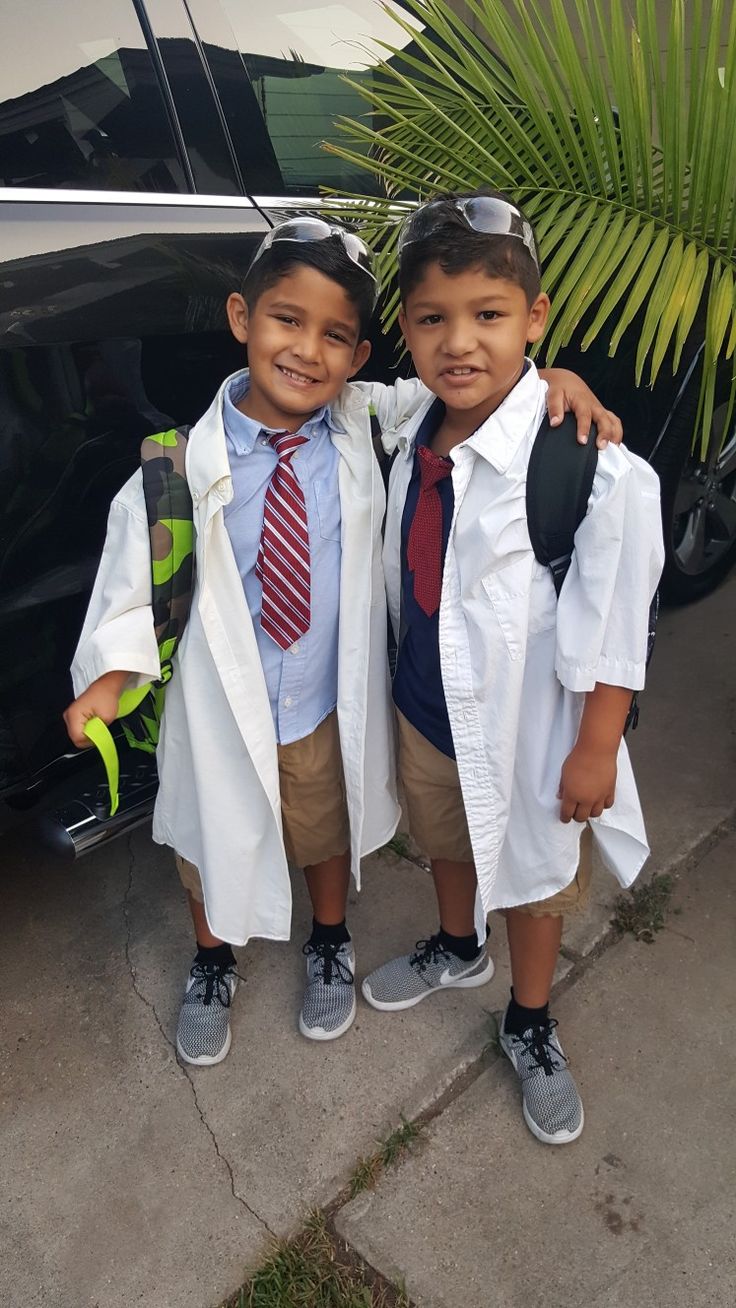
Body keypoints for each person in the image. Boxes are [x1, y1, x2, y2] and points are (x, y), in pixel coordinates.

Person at [63, 217, 623, 1069]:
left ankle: (329, 937)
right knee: (207, 844)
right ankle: (213, 962)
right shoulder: (171, 468)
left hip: (321, 699)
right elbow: (128, 589)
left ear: (360, 358)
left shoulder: (366, 422)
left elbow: (474, 389)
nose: (307, 352)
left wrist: (559, 380)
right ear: (241, 317)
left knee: (324, 832)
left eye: (335, 336)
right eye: (287, 320)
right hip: (222, 707)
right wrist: (108, 677)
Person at [361, 192, 664, 1145]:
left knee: (532, 881)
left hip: (531, 734)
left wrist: (597, 751)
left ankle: (529, 1018)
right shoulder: (410, 421)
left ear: (534, 321)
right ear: (404, 330)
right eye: (433, 319)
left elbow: (616, 628)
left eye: (490, 316)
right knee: (446, 836)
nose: (461, 343)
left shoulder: (592, 468)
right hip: (425, 708)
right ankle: (457, 946)